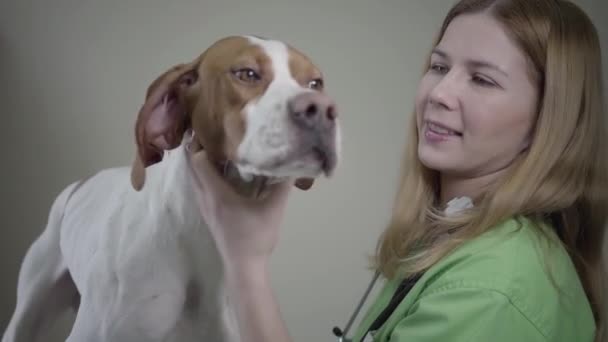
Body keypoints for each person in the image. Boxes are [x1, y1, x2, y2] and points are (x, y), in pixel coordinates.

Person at [185, 0, 607, 341]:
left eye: (482, 80)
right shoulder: (455, 241)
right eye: (439, 67)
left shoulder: (490, 294)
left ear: (547, 122)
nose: (439, 94)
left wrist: (245, 262)